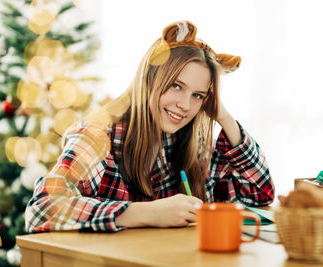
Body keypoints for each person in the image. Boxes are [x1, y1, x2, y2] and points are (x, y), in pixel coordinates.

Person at [25, 21, 274, 232]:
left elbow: (259, 195)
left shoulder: (193, 143)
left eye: (198, 95)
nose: (185, 105)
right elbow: (42, 209)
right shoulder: (97, 136)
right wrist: (144, 213)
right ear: (149, 80)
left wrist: (225, 119)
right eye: (176, 86)